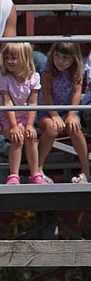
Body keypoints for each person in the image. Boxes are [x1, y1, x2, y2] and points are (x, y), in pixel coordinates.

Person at [37, 42, 89, 184]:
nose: (60, 61)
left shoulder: (78, 69)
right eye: (57, 56)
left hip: (67, 109)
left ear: (73, 59)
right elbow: (46, 93)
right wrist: (53, 115)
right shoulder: (47, 67)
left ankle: (86, 170)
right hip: (46, 109)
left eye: (65, 58)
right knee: (52, 129)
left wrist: (72, 113)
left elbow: (77, 92)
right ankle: (38, 170)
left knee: (75, 128)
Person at [0, 42, 42, 185]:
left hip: (25, 115)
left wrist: (30, 125)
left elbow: (32, 103)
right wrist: (13, 126)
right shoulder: (4, 77)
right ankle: (13, 175)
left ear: (24, 58)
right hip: (6, 115)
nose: (9, 61)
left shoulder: (34, 78)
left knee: (30, 136)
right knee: (17, 136)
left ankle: (35, 174)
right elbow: (7, 102)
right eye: (7, 58)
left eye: (13, 58)